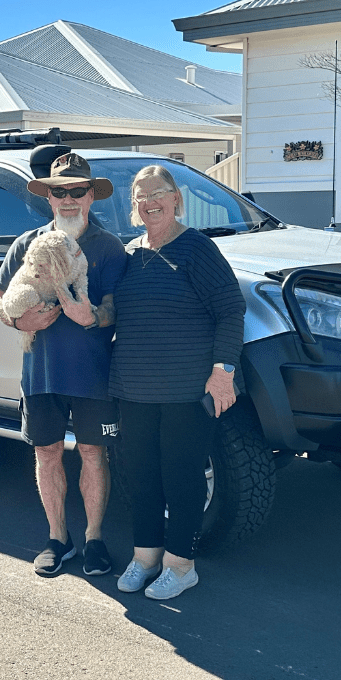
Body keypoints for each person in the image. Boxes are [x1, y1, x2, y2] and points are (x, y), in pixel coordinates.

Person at [110, 164, 245, 599]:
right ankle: (145, 557)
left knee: (182, 478)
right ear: (134, 206)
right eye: (141, 196)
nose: (150, 203)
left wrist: (223, 372)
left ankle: (181, 565)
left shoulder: (197, 248)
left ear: (175, 199)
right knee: (141, 476)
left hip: (186, 390)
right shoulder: (129, 253)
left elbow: (231, 310)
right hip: (134, 390)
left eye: (158, 194)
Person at [0, 152, 126, 578]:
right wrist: (18, 320)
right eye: (59, 191)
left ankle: (94, 539)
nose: (68, 199)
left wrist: (94, 317)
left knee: (93, 453)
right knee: (47, 453)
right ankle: (57, 538)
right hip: (41, 373)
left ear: (91, 196)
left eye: (77, 190)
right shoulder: (27, 244)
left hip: (93, 375)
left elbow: (119, 307)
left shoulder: (109, 247)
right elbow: (0, 298)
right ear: (48, 198)